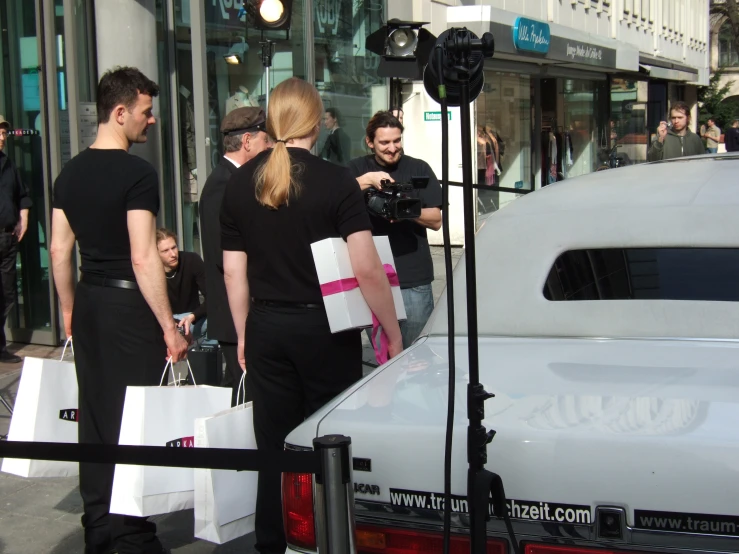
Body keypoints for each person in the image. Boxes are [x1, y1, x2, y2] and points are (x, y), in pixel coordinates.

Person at [220, 77, 402, 554]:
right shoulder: (335, 180)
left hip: (266, 326)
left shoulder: (240, 181)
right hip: (326, 328)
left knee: (273, 448)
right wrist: (391, 329)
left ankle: (272, 543)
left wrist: (242, 332)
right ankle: (329, 540)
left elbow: (233, 272)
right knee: (329, 444)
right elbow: (365, 267)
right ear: (317, 121)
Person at [50, 66, 188, 554]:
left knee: (95, 412)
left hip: (89, 301)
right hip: (129, 305)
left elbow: (58, 250)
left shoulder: (68, 172)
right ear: (120, 111)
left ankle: (99, 526)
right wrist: (169, 326)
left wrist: (68, 307)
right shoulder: (137, 173)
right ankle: (130, 531)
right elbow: (143, 254)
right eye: (147, 113)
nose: (151, 123)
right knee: (135, 417)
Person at [348, 110, 443, 348]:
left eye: (397, 141)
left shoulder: (419, 168)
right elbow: (334, 196)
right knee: (384, 356)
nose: (392, 148)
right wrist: (367, 181)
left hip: (412, 277)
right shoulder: (356, 168)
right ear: (370, 142)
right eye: (384, 142)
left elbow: (436, 219)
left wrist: (406, 211)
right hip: (372, 276)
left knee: (416, 353)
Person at [199, 106, 271, 405]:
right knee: (248, 397)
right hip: (235, 317)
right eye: (267, 141)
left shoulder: (235, 181)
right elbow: (224, 258)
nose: (270, 149)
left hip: (245, 311)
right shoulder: (223, 185)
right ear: (248, 142)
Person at [0, 115, 31, 363]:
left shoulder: (8, 164)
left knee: (7, 294)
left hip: (6, 239)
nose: (2, 138)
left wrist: (24, 219)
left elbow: (22, 195)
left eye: (3, 133)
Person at [156, 228, 207, 339]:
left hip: (193, 318)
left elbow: (213, 298)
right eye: (165, 251)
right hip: (165, 322)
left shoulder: (191, 260)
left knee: (216, 321)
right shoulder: (151, 272)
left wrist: (192, 317)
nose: (173, 254)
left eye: (174, 247)